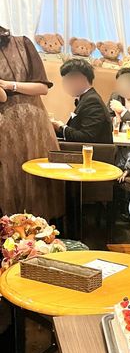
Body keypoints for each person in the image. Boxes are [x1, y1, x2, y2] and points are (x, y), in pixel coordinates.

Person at [0, 26, 64, 220]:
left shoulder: (22, 43)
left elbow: (42, 88)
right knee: (9, 180)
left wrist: (10, 84)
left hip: (33, 124)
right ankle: (12, 231)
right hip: (4, 126)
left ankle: (40, 231)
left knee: (35, 179)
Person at [51, 58, 113, 143]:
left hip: (91, 151)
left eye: (67, 79)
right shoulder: (86, 98)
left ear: (80, 78)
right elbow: (77, 133)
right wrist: (57, 128)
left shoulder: (92, 101)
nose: (64, 84)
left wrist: (62, 127)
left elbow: (86, 137)